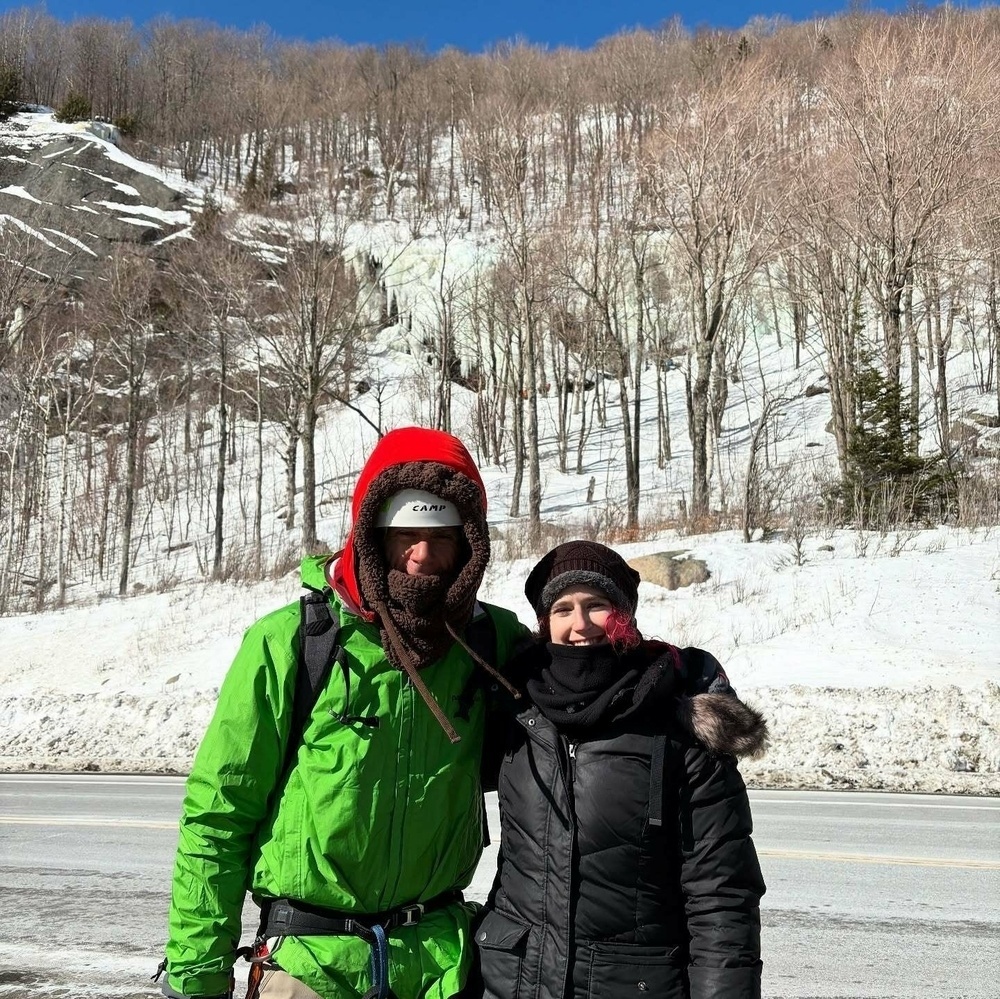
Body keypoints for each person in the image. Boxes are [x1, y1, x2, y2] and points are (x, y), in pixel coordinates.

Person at [157, 426, 528, 999]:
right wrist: (196, 974)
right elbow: (219, 814)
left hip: (439, 968)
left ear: (470, 543)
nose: (422, 556)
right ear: (370, 535)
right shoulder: (294, 642)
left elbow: (589, 691)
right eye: (404, 534)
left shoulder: (491, 643)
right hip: (307, 967)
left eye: (441, 537)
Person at [476, 541, 768, 999]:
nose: (580, 625)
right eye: (563, 609)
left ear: (625, 613)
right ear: (544, 623)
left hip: (633, 984)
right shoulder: (516, 709)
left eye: (597, 605)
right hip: (514, 979)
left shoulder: (675, 724)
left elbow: (721, 894)